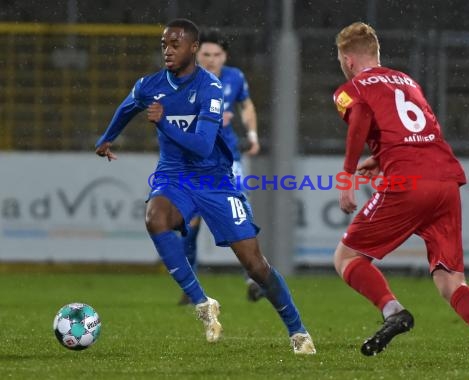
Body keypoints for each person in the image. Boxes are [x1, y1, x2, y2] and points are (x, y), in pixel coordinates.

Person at [94, 18, 315, 354]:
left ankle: (297, 330)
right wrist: (107, 139)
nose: (168, 51)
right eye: (164, 45)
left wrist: (163, 120)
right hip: (174, 175)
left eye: (175, 44)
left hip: (215, 180)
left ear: (193, 48)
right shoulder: (149, 85)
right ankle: (201, 302)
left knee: (254, 265)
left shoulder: (210, 88)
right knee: (155, 218)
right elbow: (127, 107)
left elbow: (201, 145)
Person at [332, 22, 469, 368]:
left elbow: (362, 117)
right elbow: (423, 129)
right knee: (450, 280)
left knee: (347, 257)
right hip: (444, 179)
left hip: (407, 183)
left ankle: (393, 312)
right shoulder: (407, 81)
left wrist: (348, 175)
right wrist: (381, 158)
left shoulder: (349, 89)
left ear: (348, 59)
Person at [178, 28, 265, 305]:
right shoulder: (182, 78)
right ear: (196, 53)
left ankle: (254, 277)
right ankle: (190, 284)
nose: (212, 59)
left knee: (237, 215)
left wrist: (251, 135)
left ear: (224, 56)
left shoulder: (234, 77)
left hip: (227, 161)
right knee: (189, 224)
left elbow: (247, 106)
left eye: (217, 55)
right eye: (206, 54)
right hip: (192, 162)